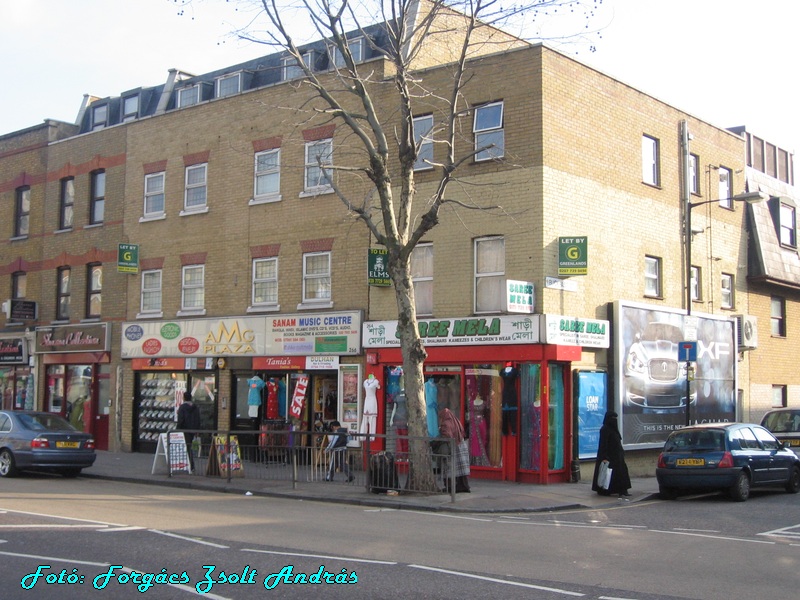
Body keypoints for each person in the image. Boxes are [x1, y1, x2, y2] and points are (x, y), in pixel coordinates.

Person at [591, 410, 631, 497]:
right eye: (613, 418)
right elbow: (603, 444)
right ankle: (605, 490)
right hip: (609, 457)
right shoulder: (604, 429)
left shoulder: (614, 429)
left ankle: (623, 490)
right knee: (608, 475)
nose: (614, 420)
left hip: (618, 456)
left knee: (621, 474)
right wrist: (604, 457)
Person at [438, 407, 471, 493]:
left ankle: (450, 487)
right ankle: (463, 486)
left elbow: (447, 435)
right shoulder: (455, 420)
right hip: (461, 444)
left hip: (453, 447)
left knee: (450, 469)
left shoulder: (446, 423)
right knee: (461, 470)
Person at [177, 390, 201, 472]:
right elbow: (198, 419)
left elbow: (181, 419)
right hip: (193, 430)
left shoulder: (182, 408)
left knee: (187, 448)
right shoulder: (195, 407)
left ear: (183, 398)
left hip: (185, 430)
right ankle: (189, 465)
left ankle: (190, 465)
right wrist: (197, 430)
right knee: (188, 446)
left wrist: (177, 429)